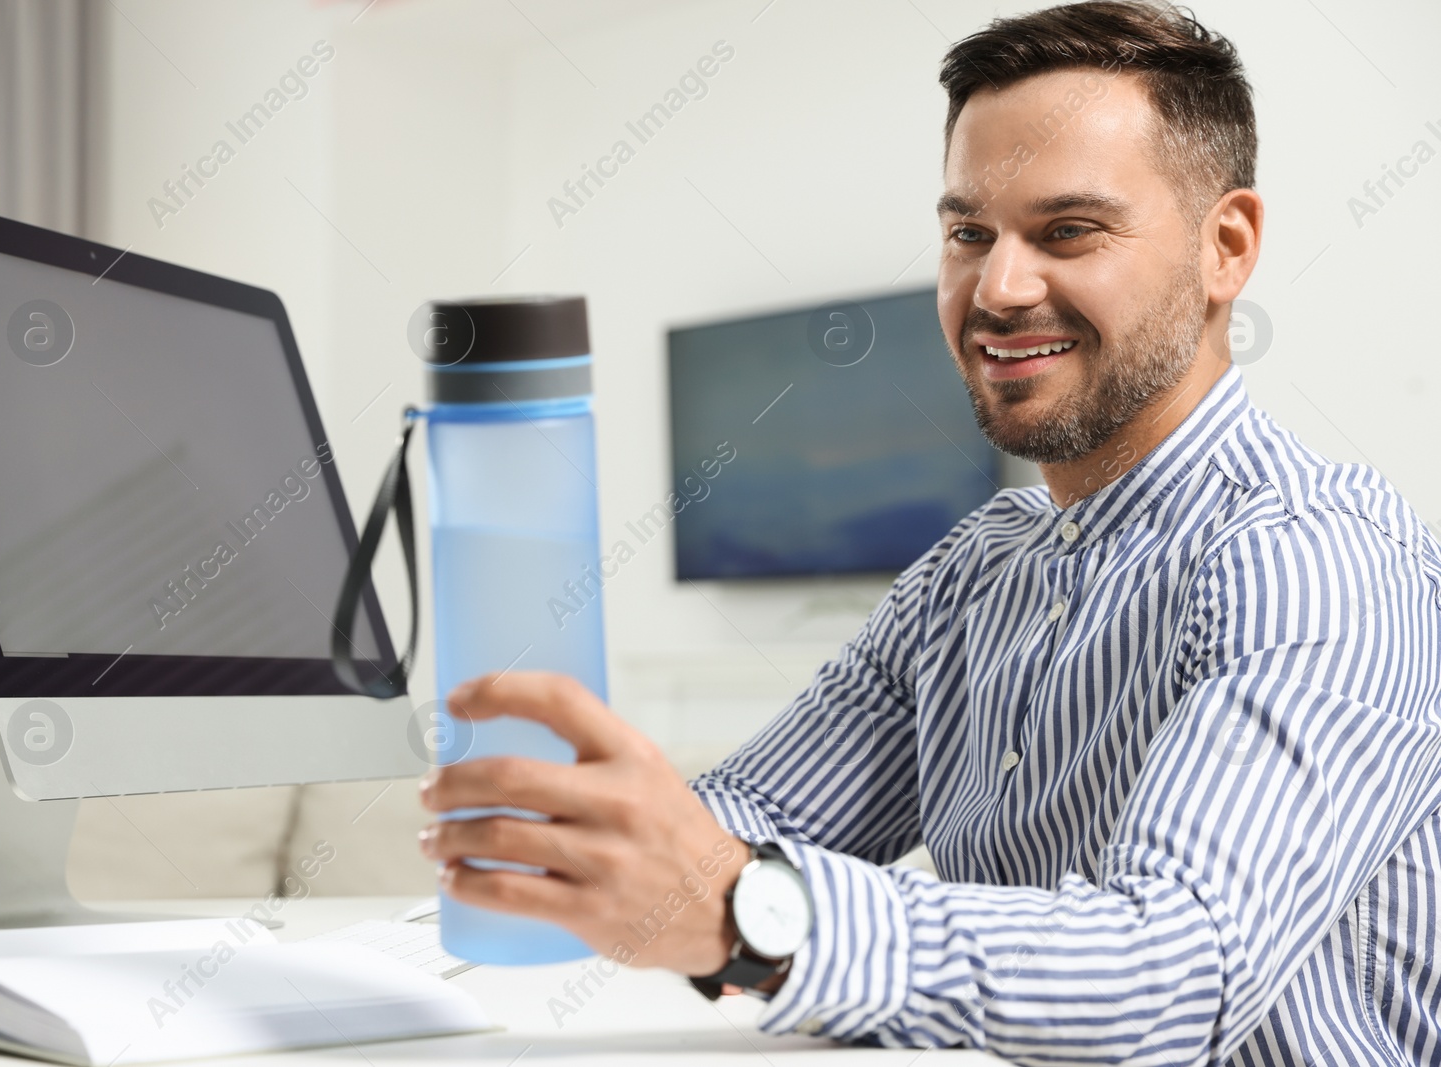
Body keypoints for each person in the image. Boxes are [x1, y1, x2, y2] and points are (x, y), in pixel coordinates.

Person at [417, 3, 1441, 1062]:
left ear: (1225, 247)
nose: (996, 288)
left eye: (1068, 231)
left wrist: (749, 914)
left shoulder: (1318, 557)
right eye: (967, 234)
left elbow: (1176, 972)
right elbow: (756, 819)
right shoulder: (970, 571)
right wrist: (583, 835)